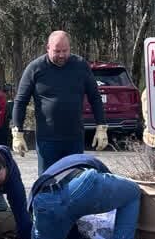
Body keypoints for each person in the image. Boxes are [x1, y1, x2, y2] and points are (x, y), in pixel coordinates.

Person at [11, 30, 109, 174]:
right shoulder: (35, 68)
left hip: (74, 138)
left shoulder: (80, 66)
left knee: (75, 181)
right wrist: (17, 132)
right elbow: (20, 101)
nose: (62, 55)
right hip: (47, 140)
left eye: (65, 50)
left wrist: (101, 126)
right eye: (57, 51)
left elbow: (95, 97)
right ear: (48, 48)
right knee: (48, 184)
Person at [28, 153, 140, 239]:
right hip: (79, 185)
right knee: (133, 192)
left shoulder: (52, 175)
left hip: (43, 202)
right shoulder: (97, 167)